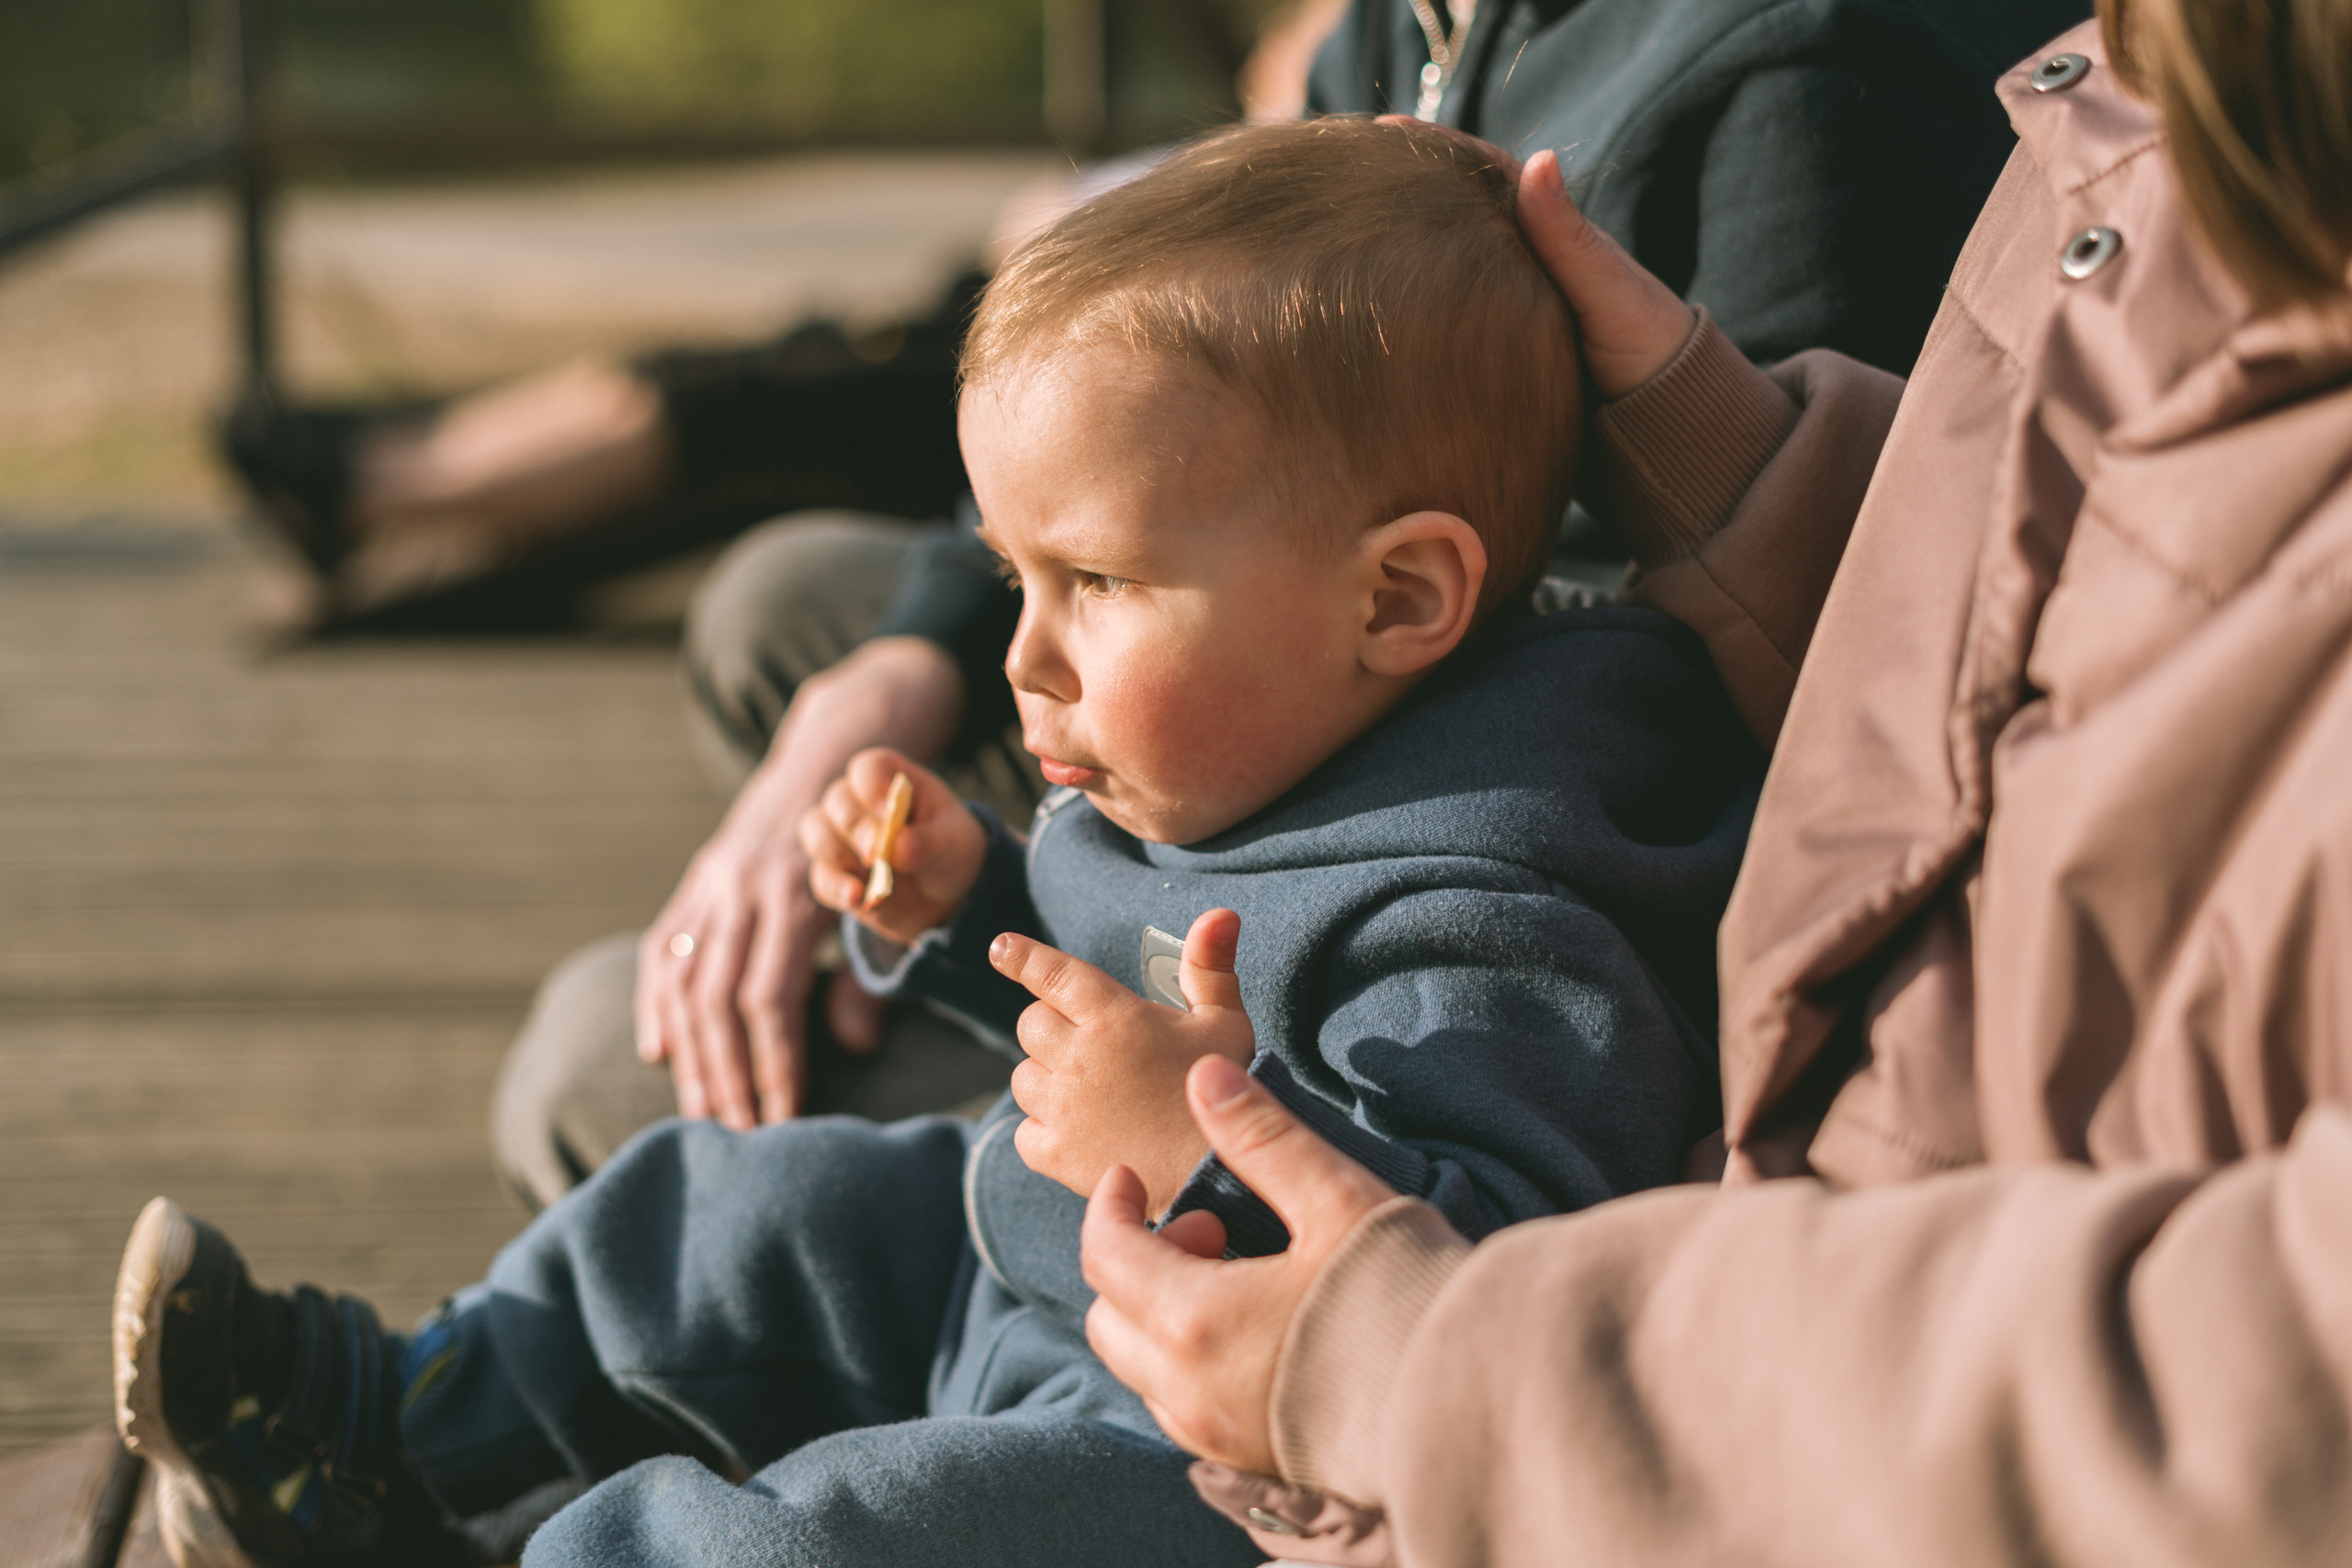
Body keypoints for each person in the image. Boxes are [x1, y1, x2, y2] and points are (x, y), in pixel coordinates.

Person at [112, 118, 1760, 1568]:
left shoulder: (1498, 915)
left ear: (1397, 596)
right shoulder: (1281, 730)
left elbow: (1477, 1297)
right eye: (1013, 576)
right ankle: (381, 1435)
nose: (1025, 655)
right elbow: (1108, 961)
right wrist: (971, 899)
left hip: (1206, 1461)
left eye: (1097, 584)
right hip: (1025, 1280)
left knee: (853, 1534)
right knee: (736, 1212)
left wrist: (1195, 1141)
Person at [1080, 6, 2352, 1564]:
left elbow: (2276, 1382)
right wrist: (1740, 460)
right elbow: (2135, 615)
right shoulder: (2142, 90)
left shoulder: (1831, 65)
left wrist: (1432, 1369)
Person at [492, 0, 2090, 1216]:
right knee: (799, 615)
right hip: (1341, 658)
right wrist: (905, 671)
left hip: (1441, 827)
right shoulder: (1430, 22)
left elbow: (1820, 737)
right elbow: (1134, 407)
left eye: (1073, 596)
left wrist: (1190, 1103)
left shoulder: (1806, 82)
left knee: (593, 1062)